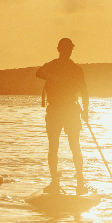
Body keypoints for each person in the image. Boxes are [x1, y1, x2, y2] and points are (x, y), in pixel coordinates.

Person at [36, 38, 88, 194]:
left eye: (69, 49)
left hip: (70, 110)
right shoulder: (52, 66)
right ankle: (55, 182)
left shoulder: (76, 69)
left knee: (73, 146)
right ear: (59, 50)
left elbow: (84, 91)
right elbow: (38, 73)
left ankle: (79, 182)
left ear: (70, 50)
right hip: (56, 111)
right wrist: (53, 77)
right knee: (55, 147)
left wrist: (85, 110)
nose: (67, 52)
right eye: (65, 49)